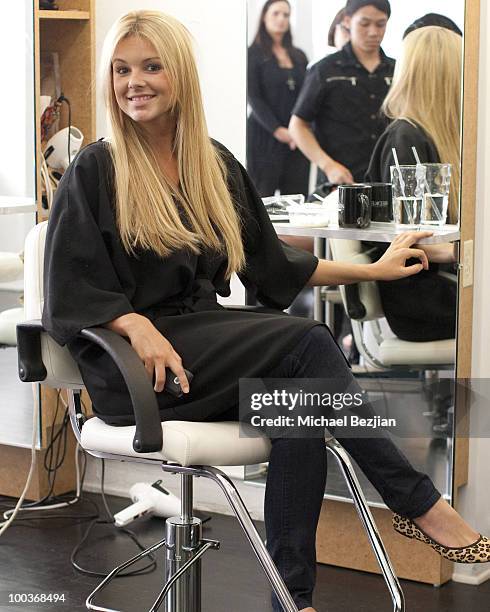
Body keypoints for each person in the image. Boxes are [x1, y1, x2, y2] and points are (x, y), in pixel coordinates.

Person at [41, 11, 489, 612]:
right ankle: (420, 505)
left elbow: (273, 266)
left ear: (181, 75)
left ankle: (293, 600)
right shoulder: (97, 168)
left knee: (298, 404)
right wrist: (134, 321)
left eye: (151, 66)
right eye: (122, 70)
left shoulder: (212, 163)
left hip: (202, 356)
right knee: (306, 342)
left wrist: (373, 270)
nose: (134, 83)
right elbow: (68, 288)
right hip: (137, 372)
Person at [365, 26, 461, 341]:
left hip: (441, 285)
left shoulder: (433, 138)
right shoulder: (405, 139)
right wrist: (464, 253)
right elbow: (409, 241)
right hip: (419, 298)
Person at [289, 0, 395, 186]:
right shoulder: (325, 70)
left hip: (386, 183)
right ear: (347, 21)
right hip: (338, 184)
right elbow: (298, 126)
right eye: (364, 23)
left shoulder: (397, 71)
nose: (373, 32)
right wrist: (328, 165)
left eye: (381, 24)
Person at [247, 0, 310, 197]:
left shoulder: (299, 56)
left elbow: (307, 96)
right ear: (264, 16)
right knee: (261, 198)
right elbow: (254, 97)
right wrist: (279, 131)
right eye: (276, 13)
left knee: (297, 200)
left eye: (286, 15)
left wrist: (297, 131)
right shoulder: (253, 54)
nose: (281, 19)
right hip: (264, 136)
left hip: (297, 139)